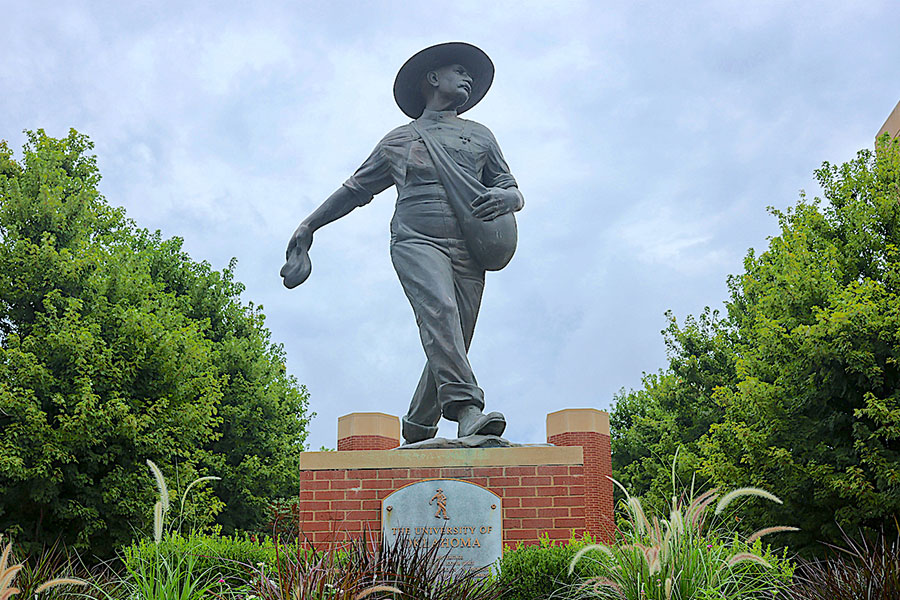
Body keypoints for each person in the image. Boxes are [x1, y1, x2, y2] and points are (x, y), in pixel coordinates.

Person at [282, 42, 523, 444]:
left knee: (455, 336)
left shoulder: (481, 137)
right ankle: (467, 409)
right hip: (416, 239)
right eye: (459, 70)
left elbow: (511, 188)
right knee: (441, 312)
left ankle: (418, 422)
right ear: (432, 78)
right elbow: (355, 189)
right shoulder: (399, 140)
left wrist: (507, 198)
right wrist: (309, 227)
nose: (467, 79)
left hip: (469, 245)